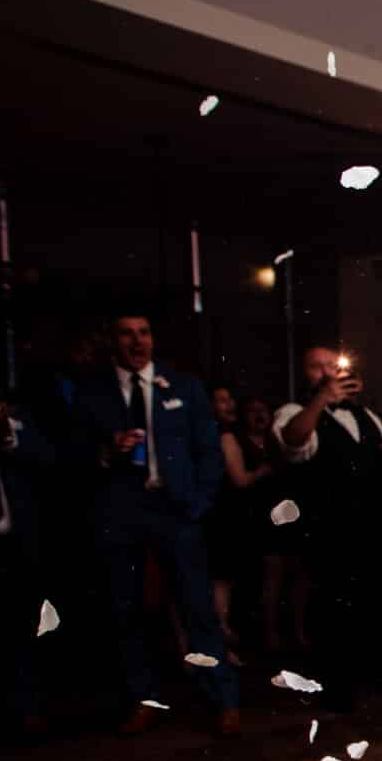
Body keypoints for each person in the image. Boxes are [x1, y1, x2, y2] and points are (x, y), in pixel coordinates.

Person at [76, 311, 240, 733]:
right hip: (121, 513)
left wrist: (198, 503)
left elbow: (209, 450)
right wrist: (105, 452)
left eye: (144, 333)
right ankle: (142, 697)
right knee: (126, 610)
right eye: (126, 334)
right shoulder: (94, 392)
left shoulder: (183, 387)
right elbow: (72, 453)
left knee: (197, 609)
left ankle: (223, 699)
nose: (136, 342)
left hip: (176, 512)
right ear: (113, 341)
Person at [275, 344, 382, 712]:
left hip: (372, 526)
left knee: (380, 604)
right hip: (329, 529)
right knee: (333, 607)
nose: (329, 373)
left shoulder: (364, 413)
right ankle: (336, 688)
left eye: (333, 366)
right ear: (306, 375)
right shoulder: (294, 411)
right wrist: (321, 399)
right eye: (318, 368)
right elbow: (294, 442)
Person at [0, 336, 55, 741]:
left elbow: (46, 456)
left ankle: (27, 710)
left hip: (12, 541)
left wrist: (8, 438)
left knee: (20, 626)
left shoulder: (8, 413)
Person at [210, 386, 279, 650]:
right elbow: (239, 479)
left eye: (263, 410)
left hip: (262, 518)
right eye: (252, 411)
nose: (259, 415)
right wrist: (263, 470)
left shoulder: (272, 439)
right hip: (234, 516)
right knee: (229, 578)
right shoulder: (230, 436)